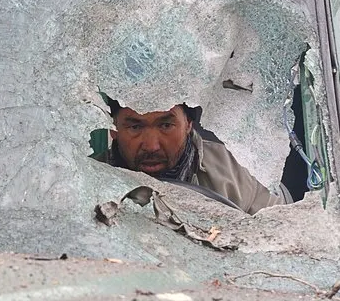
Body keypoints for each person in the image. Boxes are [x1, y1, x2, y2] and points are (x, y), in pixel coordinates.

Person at [93, 92, 286, 215]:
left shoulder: (242, 175)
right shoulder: (86, 181)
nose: (151, 146)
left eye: (166, 125)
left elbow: (281, 239)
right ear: (113, 130)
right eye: (135, 127)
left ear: (188, 125)